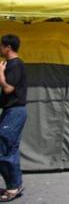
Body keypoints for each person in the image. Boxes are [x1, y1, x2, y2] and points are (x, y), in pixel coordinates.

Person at [0, 35, 28, 201]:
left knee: (3, 149)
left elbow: (9, 88)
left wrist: (1, 76)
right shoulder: (10, 64)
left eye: (1, 46)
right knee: (11, 149)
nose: (0, 49)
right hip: (11, 111)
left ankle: (13, 186)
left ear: (8, 47)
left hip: (15, 112)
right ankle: (14, 185)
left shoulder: (15, 65)